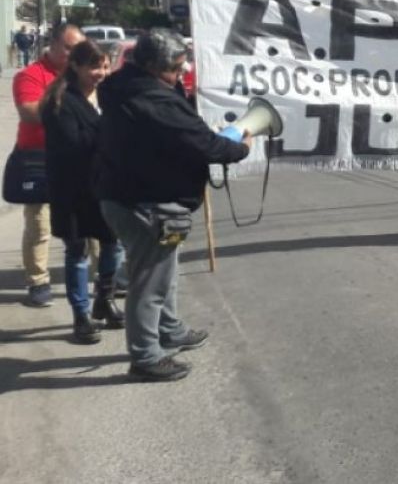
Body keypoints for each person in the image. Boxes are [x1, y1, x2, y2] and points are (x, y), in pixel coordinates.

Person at [96, 29, 253, 382]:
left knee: (164, 275)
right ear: (153, 66)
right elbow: (204, 145)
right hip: (149, 204)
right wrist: (240, 148)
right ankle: (146, 356)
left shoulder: (125, 86)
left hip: (130, 197)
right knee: (150, 283)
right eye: (176, 68)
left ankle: (170, 330)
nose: (182, 74)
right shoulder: (154, 100)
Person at [41, 40, 124, 343]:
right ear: (74, 66)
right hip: (72, 187)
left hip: (105, 185)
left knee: (113, 243)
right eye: (93, 66)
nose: (100, 73)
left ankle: (105, 297)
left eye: (104, 66)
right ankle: (81, 315)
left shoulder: (108, 95)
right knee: (77, 251)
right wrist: (113, 137)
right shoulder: (61, 101)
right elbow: (74, 145)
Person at [11, 24, 85, 307]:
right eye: (68, 48)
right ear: (52, 44)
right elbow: (29, 111)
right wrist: (72, 113)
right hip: (38, 158)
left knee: (87, 221)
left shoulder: (84, 74)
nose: (73, 54)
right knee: (40, 224)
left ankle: (102, 275)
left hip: (79, 158)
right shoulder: (30, 75)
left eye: (77, 49)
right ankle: (38, 281)